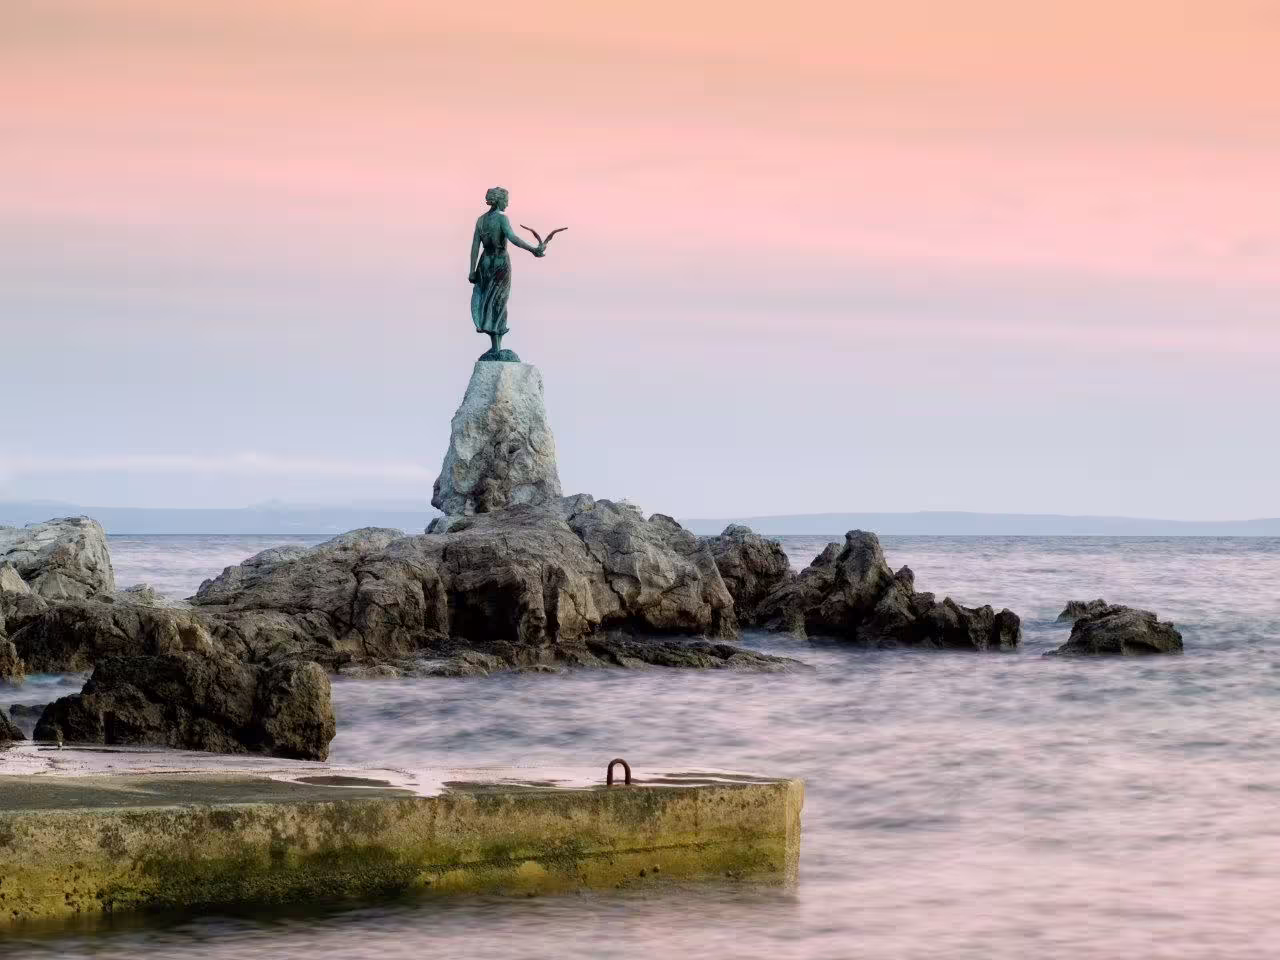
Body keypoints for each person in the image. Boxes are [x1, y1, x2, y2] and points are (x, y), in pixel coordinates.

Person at [468, 186, 544, 359]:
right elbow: (512, 237)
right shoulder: (502, 219)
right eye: (506, 200)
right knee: (499, 303)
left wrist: (472, 270)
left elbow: (475, 246)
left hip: (485, 264)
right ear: (499, 200)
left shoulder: (481, 220)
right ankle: (496, 346)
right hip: (500, 265)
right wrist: (533, 249)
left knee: (489, 302)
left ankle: (495, 346)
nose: (507, 204)